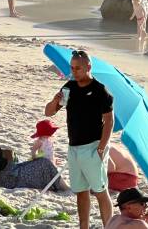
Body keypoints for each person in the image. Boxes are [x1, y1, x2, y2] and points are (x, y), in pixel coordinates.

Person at [45, 50, 114, 229]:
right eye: (72, 68)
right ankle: (84, 227)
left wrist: (101, 148)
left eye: (78, 68)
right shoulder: (69, 88)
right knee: (81, 191)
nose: (75, 72)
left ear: (88, 67)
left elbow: (109, 121)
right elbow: (49, 112)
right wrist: (55, 101)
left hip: (93, 146)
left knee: (100, 191)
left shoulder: (100, 90)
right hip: (73, 146)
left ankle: (109, 226)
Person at [0, 109, 64, 191]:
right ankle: (65, 188)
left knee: (16, 156)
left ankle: (61, 185)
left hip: (3, 173)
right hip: (6, 176)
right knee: (44, 163)